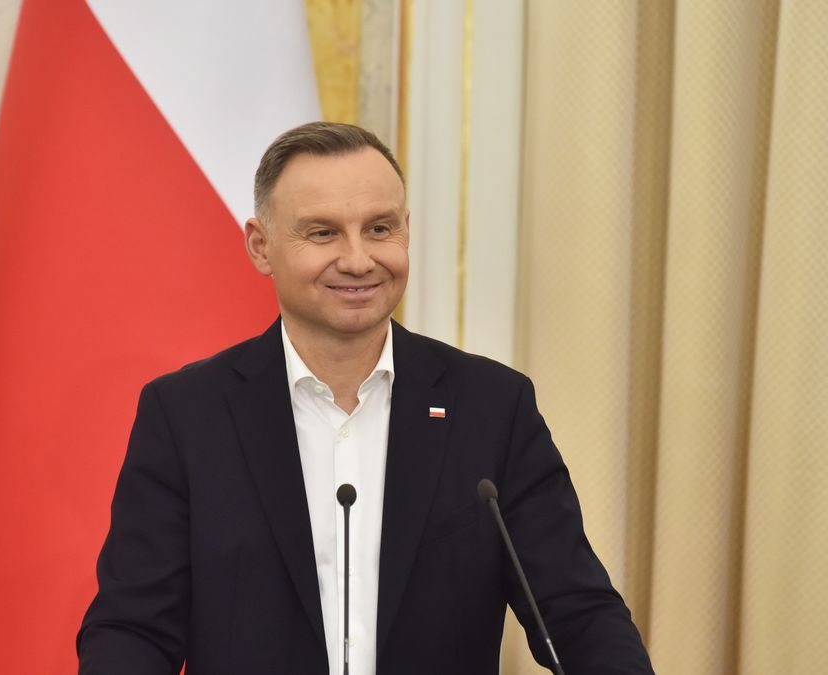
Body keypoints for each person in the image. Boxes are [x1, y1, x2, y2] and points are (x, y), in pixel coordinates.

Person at [77, 122, 653, 674]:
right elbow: (134, 632)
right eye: (323, 232)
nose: (358, 260)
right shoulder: (186, 415)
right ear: (261, 246)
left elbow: (576, 613)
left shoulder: (493, 407)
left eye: (379, 228)